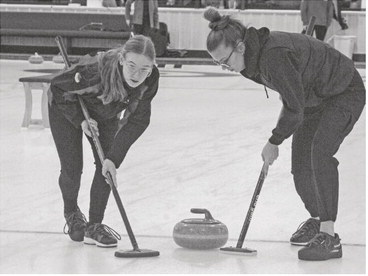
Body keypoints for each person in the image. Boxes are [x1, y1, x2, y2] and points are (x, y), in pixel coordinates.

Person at [203, 7, 365, 261]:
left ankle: (329, 236)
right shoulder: (249, 62)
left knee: (320, 153)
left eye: (225, 61)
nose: (225, 67)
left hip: (343, 91)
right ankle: (317, 218)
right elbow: (292, 98)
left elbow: (294, 108)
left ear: (242, 47)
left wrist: (273, 141)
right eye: (218, 63)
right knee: (300, 163)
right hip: (314, 98)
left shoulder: (273, 55)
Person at [48, 35, 159, 248]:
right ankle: (72, 214)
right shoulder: (93, 71)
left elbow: (138, 121)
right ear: (121, 59)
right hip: (66, 107)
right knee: (72, 167)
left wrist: (114, 159)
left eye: (144, 69)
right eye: (132, 66)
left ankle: (94, 226)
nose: (137, 75)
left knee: (106, 166)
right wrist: (81, 120)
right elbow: (57, 87)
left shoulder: (151, 79)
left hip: (106, 111)